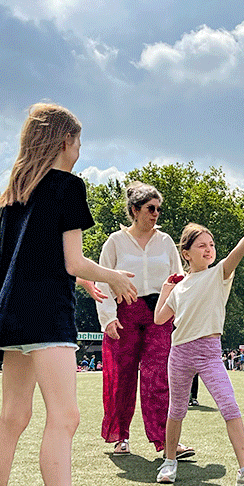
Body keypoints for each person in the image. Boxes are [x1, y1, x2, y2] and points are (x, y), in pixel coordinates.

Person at [0, 103, 136, 486]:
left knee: (12, 418)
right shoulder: (68, 186)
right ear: (65, 140)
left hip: (12, 314)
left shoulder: (12, 193)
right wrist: (111, 277)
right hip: (47, 314)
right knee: (64, 417)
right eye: (79, 140)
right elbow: (71, 262)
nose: (81, 150)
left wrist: (90, 280)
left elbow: (24, 261)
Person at [153, 214, 244, 486]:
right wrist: (166, 290)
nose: (209, 249)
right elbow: (159, 319)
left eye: (211, 244)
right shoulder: (179, 288)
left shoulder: (219, 273)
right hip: (180, 353)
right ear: (186, 253)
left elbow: (240, 249)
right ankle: (170, 461)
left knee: (230, 406)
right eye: (201, 245)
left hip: (210, 352)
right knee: (176, 410)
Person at [96, 182, 190, 458]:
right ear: (135, 210)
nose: (156, 214)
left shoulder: (166, 241)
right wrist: (108, 319)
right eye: (150, 208)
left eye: (158, 209)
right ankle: (120, 437)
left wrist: (180, 314)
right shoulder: (115, 242)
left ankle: (165, 442)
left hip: (159, 314)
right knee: (121, 376)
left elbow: (179, 280)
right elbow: (102, 283)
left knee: (158, 376)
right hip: (124, 313)